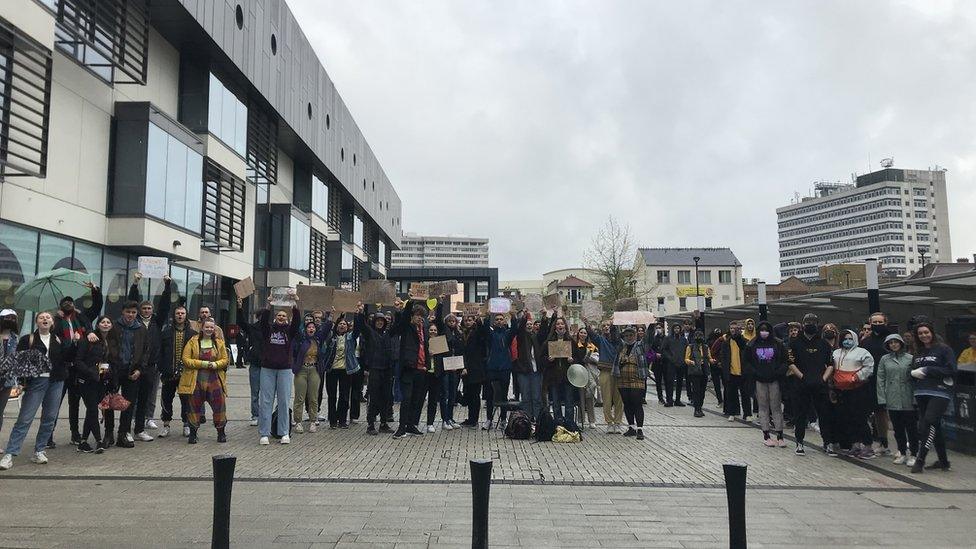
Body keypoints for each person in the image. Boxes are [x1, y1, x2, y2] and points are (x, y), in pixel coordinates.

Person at [0, 312, 77, 470]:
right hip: (37, 381)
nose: (45, 319)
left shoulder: (58, 339)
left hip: (56, 381)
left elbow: (67, 359)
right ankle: (10, 454)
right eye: (41, 317)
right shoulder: (28, 339)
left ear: (52, 322)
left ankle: (39, 450)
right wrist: (21, 383)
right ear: (36, 322)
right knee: (25, 418)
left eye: (48, 317)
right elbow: (19, 362)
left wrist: (74, 343)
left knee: (49, 417)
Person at [52, 281, 102, 446]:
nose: (68, 304)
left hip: (77, 368)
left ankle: (75, 433)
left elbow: (96, 306)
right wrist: (55, 317)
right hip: (61, 367)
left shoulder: (82, 318)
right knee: (55, 403)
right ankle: (48, 435)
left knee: (74, 403)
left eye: (70, 302)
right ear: (60, 306)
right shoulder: (56, 321)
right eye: (65, 302)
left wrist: (95, 290)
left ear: (74, 305)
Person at [127, 273, 172, 435]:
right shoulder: (135, 321)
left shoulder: (157, 322)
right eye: (144, 308)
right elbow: (130, 302)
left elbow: (165, 306)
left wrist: (167, 286)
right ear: (139, 310)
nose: (146, 310)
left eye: (149, 308)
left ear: (152, 310)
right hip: (135, 363)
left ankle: (148, 417)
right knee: (133, 393)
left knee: (151, 393)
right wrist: (135, 284)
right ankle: (132, 417)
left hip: (152, 364)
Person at [909, 321, 957, 473]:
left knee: (928, 422)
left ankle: (920, 459)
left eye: (926, 332)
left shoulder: (944, 349)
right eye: (920, 333)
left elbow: (951, 370)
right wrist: (912, 374)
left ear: (932, 332)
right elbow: (912, 370)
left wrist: (928, 370)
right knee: (934, 426)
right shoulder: (918, 352)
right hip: (921, 392)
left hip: (939, 392)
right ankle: (943, 461)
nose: (924, 335)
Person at [256, 294, 301, 445]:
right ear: (275, 318)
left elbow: (297, 321)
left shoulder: (290, 331)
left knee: (283, 401)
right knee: (266, 401)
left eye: (284, 315)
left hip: (285, 369)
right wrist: (268, 304)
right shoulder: (268, 330)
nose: (281, 317)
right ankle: (264, 433)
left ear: (287, 319)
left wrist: (295, 303)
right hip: (267, 369)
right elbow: (263, 322)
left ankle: (284, 433)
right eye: (278, 315)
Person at [787, 313, 834, 456]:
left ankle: (827, 442)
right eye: (808, 322)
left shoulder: (824, 343)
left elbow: (831, 364)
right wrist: (802, 377)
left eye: (813, 322)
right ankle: (799, 442)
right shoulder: (794, 343)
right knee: (800, 415)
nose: (810, 325)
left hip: (820, 385)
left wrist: (823, 379)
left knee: (824, 414)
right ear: (803, 324)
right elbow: (790, 363)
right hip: (801, 385)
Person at [72, 316, 120, 453]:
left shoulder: (111, 341)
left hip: (101, 381)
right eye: (103, 322)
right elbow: (78, 361)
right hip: (86, 381)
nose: (105, 324)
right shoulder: (89, 339)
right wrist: (90, 372)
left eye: (108, 322)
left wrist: (109, 376)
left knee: (91, 411)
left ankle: (83, 442)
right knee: (93, 409)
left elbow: (108, 361)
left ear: (111, 325)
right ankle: (99, 441)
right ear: (97, 325)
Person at [179, 318, 229, 444]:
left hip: (214, 380)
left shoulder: (219, 343)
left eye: (211, 327)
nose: (209, 329)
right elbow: (185, 359)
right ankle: (193, 434)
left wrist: (216, 364)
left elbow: (225, 359)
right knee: (193, 407)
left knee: (220, 406)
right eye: (207, 327)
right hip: (195, 379)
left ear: (214, 329)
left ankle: (221, 432)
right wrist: (202, 363)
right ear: (202, 327)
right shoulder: (193, 341)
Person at [832, 330, 876, 459]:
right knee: (847, 418)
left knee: (860, 418)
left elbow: (869, 367)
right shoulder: (836, 353)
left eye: (850, 338)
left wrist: (856, 377)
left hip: (858, 390)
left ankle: (868, 446)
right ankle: (854, 444)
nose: (847, 341)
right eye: (845, 338)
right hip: (841, 390)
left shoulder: (862, 352)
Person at [392, 299, 431, 439]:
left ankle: (411, 425)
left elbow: (425, 346)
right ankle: (402, 428)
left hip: (422, 369)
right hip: (409, 368)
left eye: (422, 316)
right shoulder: (406, 327)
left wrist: (427, 364)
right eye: (417, 315)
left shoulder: (424, 328)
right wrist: (409, 303)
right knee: (407, 399)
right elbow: (402, 319)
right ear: (412, 316)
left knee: (417, 399)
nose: (420, 318)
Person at [876, 334, 918, 466]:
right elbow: (880, 378)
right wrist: (882, 397)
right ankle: (901, 451)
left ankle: (914, 453)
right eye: (890, 343)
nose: (893, 345)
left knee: (911, 427)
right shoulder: (885, 359)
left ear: (901, 343)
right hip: (892, 397)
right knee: (897, 428)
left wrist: (916, 398)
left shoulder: (910, 358)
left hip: (907, 396)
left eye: (896, 342)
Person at [113, 301, 149, 449]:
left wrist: (140, 369)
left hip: (132, 371)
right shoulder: (114, 326)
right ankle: (109, 433)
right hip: (115, 370)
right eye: (128, 312)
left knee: (128, 403)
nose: (131, 315)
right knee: (110, 402)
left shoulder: (141, 329)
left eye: (133, 312)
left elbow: (146, 351)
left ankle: (124, 432)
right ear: (123, 312)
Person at [321, 307, 363, 430]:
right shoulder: (331, 337)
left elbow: (358, 329)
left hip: (346, 370)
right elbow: (324, 331)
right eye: (340, 324)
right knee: (332, 396)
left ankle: (342, 420)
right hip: (332, 369)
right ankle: (333, 421)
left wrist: (357, 314)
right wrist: (331, 315)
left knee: (344, 396)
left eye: (344, 324)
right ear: (337, 325)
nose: (342, 326)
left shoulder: (350, 337)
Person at [747, 321, 788, 447]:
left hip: (774, 379)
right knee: (763, 407)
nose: (764, 332)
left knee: (776, 407)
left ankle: (780, 435)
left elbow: (784, 361)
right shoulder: (752, 344)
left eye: (766, 330)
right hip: (759, 380)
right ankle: (766, 435)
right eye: (761, 330)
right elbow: (747, 362)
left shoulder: (778, 344)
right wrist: (756, 373)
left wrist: (777, 373)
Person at [159, 305, 195, 438]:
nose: (180, 315)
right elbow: (160, 352)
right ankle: (166, 425)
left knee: (186, 400)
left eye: (182, 313)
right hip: (169, 372)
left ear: (186, 315)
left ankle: (186, 424)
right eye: (178, 313)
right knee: (166, 399)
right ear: (174, 315)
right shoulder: (166, 332)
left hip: (185, 373)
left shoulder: (192, 334)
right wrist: (162, 368)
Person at [860, 312, 893, 457]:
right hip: (870, 380)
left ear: (886, 322)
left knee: (889, 412)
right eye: (875, 322)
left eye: (880, 322)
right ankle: (879, 441)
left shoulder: (892, 340)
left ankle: (889, 443)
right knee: (876, 412)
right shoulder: (866, 341)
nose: (878, 325)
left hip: (890, 380)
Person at [361, 310, 396, 435]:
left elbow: (399, 325)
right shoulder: (370, 333)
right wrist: (360, 312)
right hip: (375, 369)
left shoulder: (388, 334)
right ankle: (370, 424)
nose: (380, 323)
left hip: (387, 369)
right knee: (373, 397)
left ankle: (383, 423)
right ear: (374, 322)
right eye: (378, 321)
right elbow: (362, 325)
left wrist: (399, 310)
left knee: (386, 397)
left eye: (382, 321)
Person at [291, 320, 326, 433]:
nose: (311, 329)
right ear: (305, 329)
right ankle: (298, 422)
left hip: (314, 370)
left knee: (313, 397)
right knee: (300, 397)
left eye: (313, 327)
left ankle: (312, 421)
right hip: (301, 370)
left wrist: (330, 317)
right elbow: (293, 352)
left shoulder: (318, 340)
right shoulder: (301, 340)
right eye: (309, 327)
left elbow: (326, 330)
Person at [589, 321, 622, 433]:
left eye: (608, 325)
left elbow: (619, 343)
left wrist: (614, 327)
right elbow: (593, 336)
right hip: (605, 371)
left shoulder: (618, 341)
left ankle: (617, 422)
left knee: (619, 399)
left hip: (618, 372)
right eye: (603, 326)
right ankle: (609, 422)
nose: (606, 327)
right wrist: (587, 325)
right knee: (606, 399)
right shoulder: (600, 340)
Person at [615, 326, 648, 440]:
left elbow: (649, 338)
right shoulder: (621, 347)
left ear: (635, 336)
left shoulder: (640, 346)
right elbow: (615, 336)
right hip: (622, 380)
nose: (629, 337)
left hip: (637, 379)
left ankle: (640, 429)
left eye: (631, 335)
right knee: (627, 403)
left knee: (637, 403)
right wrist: (615, 325)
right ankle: (631, 427)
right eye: (627, 335)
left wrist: (652, 325)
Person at [543, 311, 575, 424]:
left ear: (565, 326)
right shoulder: (549, 341)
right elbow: (542, 357)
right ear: (555, 326)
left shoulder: (571, 341)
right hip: (554, 376)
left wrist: (572, 360)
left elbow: (578, 357)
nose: (560, 326)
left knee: (568, 402)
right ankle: (558, 423)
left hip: (568, 377)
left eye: (562, 324)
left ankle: (569, 424)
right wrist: (548, 359)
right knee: (555, 402)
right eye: (558, 324)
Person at [715, 322, 750, 421]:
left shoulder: (744, 341)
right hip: (731, 372)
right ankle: (732, 413)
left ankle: (747, 414)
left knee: (745, 394)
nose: (733, 330)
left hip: (743, 372)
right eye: (731, 328)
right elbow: (723, 356)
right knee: (732, 394)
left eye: (735, 328)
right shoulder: (726, 343)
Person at [458, 313, 488, 428]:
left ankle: (474, 420)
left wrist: (479, 320)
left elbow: (482, 332)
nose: (467, 322)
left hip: (476, 369)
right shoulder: (462, 334)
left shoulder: (476, 333)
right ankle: (470, 418)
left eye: (470, 320)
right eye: (466, 320)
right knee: (468, 394)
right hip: (465, 369)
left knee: (475, 396)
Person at [237, 298, 264, 427]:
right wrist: (240, 308)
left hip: (267, 365)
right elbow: (241, 322)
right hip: (255, 364)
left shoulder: (270, 329)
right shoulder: (252, 328)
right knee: (255, 392)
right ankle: (255, 415)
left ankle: (265, 414)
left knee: (267, 392)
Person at [434, 312, 463, 430]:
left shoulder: (458, 334)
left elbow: (461, 350)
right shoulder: (443, 332)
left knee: (452, 393)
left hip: (455, 366)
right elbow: (438, 320)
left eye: (453, 321)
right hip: (445, 366)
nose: (451, 323)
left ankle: (450, 418)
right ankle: (444, 419)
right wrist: (440, 305)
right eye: (449, 321)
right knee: (444, 393)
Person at [571, 326, 599, 429]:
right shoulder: (574, 345)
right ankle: (580, 420)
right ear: (578, 334)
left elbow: (597, 359)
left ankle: (592, 420)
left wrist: (590, 359)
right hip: (578, 374)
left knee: (590, 396)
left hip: (589, 374)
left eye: (585, 333)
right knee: (580, 398)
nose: (583, 334)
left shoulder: (591, 346)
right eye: (581, 332)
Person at [0, 309, 19, 452]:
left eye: (13, 318)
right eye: (7, 318)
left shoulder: (15, 338)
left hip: (7, 380)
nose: (10, 321)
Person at [684, 330, 713, 418]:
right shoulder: (690, 347)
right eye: (697, 336)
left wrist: (712, 361)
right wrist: (691, 362)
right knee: (696, 390)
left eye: (700, 336)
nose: (699, 338)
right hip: (695, 371)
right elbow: (686, 358)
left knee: (702, 391)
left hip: (704, 370)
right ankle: (696, 409)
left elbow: (709, 357)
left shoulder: (706, 347)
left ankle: (700, 407)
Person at [647, 323, 670, 405]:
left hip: (665, 362)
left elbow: (669, 349)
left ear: (663, 329)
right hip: (657, 363)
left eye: (660, 327)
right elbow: (650, 349)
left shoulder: (667, 338)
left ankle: (669, 398)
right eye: (657, 328)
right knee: (658, 382)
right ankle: (660, 398)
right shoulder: (654, 339)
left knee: (667, 381)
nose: (658, 329)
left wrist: (663, 355)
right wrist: (655, 354)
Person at [705, 328, 724, 406]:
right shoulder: (722, 341)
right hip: (718, 364)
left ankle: (720, 401)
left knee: (717, 385)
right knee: (723, 384)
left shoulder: (710, 341)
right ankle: (722, 400)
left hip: (715, 364)